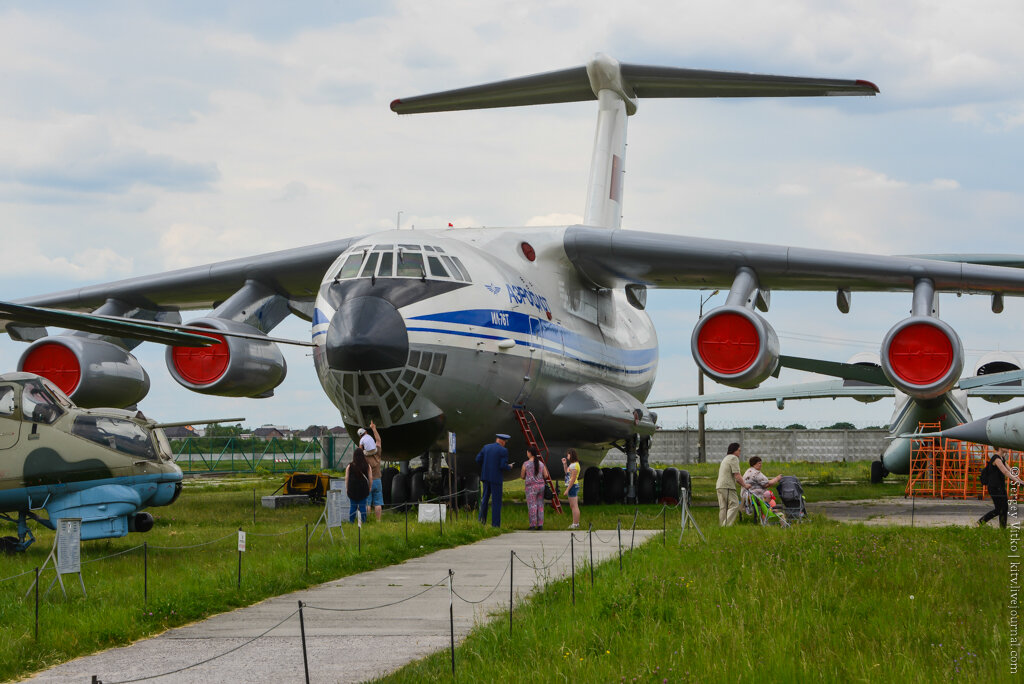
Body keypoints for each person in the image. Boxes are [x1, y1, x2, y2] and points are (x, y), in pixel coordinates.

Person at [979, 447, 1024, 528]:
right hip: (994, 487)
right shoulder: (996, 459)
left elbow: (1011, 471)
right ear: (1000, 447)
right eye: (1005, 446)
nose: (1008, 448)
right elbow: (1005, 472)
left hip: (1000, 487)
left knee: (1004, 508)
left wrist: (1020, 480)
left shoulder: (1001, 458)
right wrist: (1018, 482)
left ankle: (1002, 529)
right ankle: (980, 522)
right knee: (999, 509)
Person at [476, 433, 514, 527]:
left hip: (486, 477)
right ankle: (495, 525)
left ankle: (481, 521)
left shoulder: (486, 447)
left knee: (484, 499)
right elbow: (502, 466)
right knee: (496, 502)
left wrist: (485, 467)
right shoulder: (503, 450)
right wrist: (509, 467)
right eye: (505, 441)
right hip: (496, 479)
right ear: (501, 441)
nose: (505, 443)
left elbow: (478, 459)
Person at [716, 442, 751, 527]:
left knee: (723, 507)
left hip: (719, 486)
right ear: (734, 450)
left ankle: (722, 526)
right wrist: (745, 485)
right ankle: (726, 526)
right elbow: (737, 475)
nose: (740, 452)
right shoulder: (733, 458)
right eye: (739, 450)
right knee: (735, 505)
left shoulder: (726, 458)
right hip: (727, 485)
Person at [521, 445, 549, 530]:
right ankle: (540, 525)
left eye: (527, 452)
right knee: (540, 505)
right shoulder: (541, 463)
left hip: (531, 487)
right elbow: (546, 475)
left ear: (530, 453)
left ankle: (532, 525)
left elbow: (522, 476)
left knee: (532, 505)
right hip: (541, 486)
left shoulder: (526, 464)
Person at [360, 422, 384, 521]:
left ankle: (368, 520)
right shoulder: (377, 452)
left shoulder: (364, 456)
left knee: (367, 503)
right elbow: (378, 440)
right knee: (378, 503)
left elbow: (359, 450)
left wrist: (361, 445)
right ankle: (378, 521)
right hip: (378, 480)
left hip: (368, 481)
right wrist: (373, 428)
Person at [345, 447, 372, 523]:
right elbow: (370, 478)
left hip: (352, 490)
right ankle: (363, 521)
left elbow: (346, 478)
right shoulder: (367, 466)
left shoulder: (349, 466)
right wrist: (369, 487)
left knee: (353, 507)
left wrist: (347, 488)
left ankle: (351, 522)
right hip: (363, 489)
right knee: (362, 506)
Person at [561, 449, 581, 529]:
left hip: (572, 486)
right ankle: (576, 523)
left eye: (568, 455)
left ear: (571, 455)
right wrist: (565, 464)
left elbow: (572, 478)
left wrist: (567, 489)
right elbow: (567, 472)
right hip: (573, 486)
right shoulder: (574, 464)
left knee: (574, 506)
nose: (567, 456)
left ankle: (575, 524)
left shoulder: (573, 465)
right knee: (573, 505)